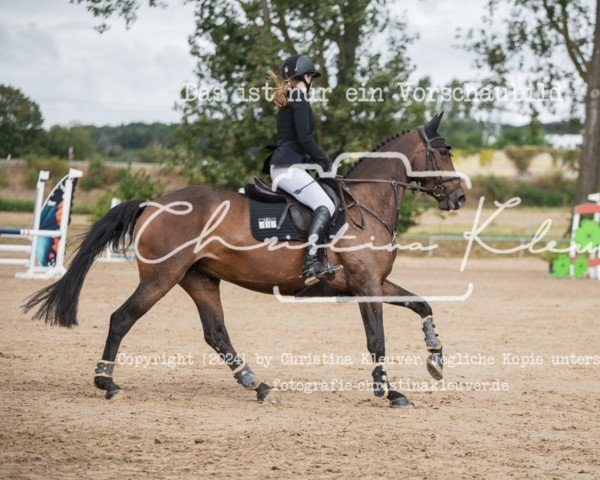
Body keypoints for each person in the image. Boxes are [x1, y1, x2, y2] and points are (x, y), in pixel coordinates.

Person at [265, 55, 342, 286]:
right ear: (306, 77)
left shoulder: (292, 97)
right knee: (326, 205)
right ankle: (310, 265)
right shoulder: (298, 97)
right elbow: (305, 138)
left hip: (288, 166)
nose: (312, 81)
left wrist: (314, 162)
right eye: (311, 77)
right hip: (287, 168)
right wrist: (324, 161)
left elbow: (297, 141)